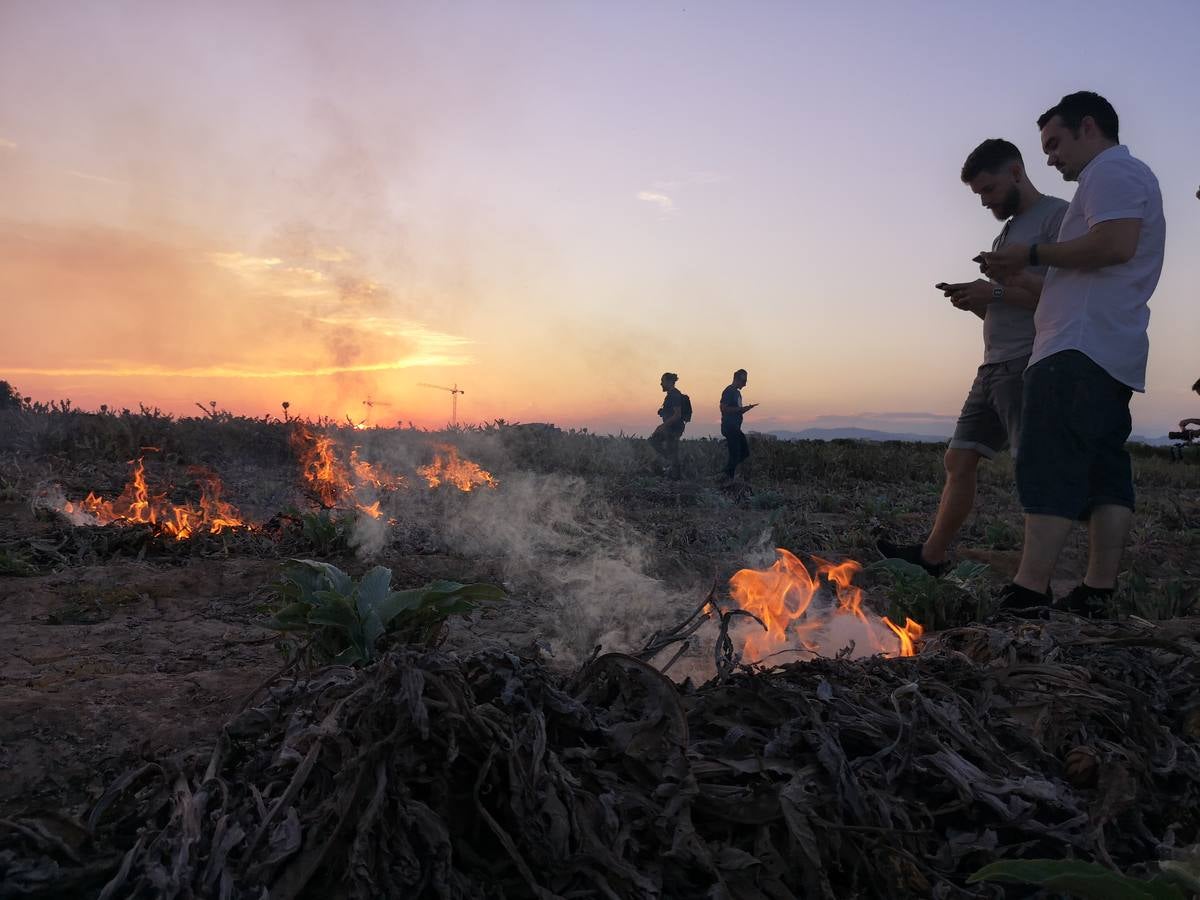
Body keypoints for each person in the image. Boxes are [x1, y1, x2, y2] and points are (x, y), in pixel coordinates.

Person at [981, 91, 1166, 616]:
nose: (1050, 157)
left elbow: (1114, 245)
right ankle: (1097, 590)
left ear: (1089, 127)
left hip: (1076, 349)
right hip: (1108, 346)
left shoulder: (1109, 172)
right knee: (1104, 471)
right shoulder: (1120, 178)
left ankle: (1029, 588)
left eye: (1055, 143)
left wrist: (1033, 251)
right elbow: (1094, 265)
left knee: (1049, 464)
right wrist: (1024, 274)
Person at [878, 139, 1067, 575]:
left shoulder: (1056, 218)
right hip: (993, 362)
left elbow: (1062, 298)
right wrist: (976, 299)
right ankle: (932, 556)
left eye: (989, 190)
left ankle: (1036, 579)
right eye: (979, 193)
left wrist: (994, 290)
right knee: (958, 458)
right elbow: (1007, 299)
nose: (985, 201)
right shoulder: (1007, 230)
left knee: (1033, 467)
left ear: (1016, 172)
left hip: (1028, 360)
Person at [719, 369, 758, 480]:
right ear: (737, 379)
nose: (745, 384)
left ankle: (726, 475)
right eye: (744, 380)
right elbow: (723, 408)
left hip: (735, 427)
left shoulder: (736, 393)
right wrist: (740, 409)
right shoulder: (729, 391)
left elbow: (737, 410)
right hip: (730, 427)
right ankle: (726, 477)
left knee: (744, 453)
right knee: (736, 455)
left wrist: (745, 409)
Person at [649, 372, 686, 478]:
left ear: (669, 382)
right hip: (672, 427)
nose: (661, 384)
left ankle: (675, 476)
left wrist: (662, 426)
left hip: (673, 428)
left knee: (659, 443)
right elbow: (672, 412)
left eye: (663, 381)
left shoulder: (674, 395)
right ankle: (672, 469)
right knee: (669, 449)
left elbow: (677, 415)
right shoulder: (671, 395)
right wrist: (663, 412)